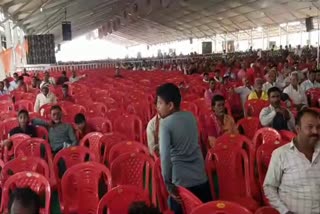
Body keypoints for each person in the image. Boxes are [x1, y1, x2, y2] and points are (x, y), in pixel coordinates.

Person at [156, 83, 211, 214]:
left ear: (170, 105)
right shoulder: (191, 117)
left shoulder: (165, 124)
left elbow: (165, 158)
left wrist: (168, 185)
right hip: (200, 176)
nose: (157, 107)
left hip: (181, 182)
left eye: (159, 103)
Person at [263, 108, 320, 214]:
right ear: (298, 129)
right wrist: (284, 211)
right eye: (310, 127)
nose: (316, 131)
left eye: (318, 127)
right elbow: (269, 187)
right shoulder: (280, 154)